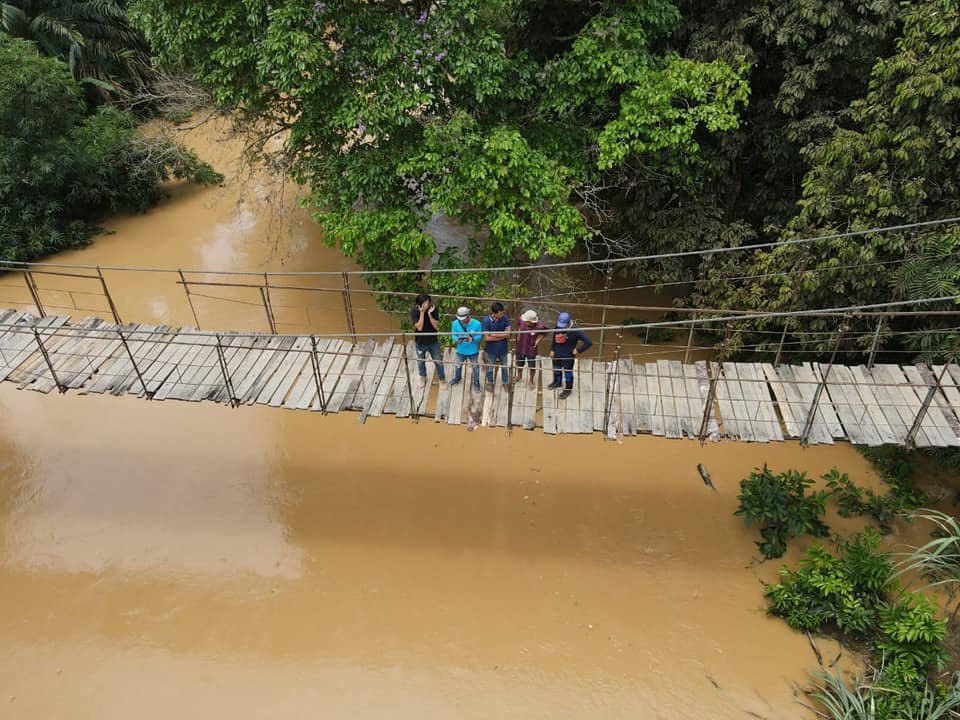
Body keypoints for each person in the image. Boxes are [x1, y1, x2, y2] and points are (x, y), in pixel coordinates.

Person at [548, 311, 592, 400]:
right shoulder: (558, 326)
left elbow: (588, 342)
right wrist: (552, 349)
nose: (561, 327)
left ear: (568, 323)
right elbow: (554, 337)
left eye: (563, 325)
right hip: (557, 353)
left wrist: (578, 350)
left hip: (568, 355)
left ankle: (568, 389)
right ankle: (557, 382)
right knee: (556, 369)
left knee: (568, 373)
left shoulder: (576, 331)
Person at [410, 293, 445, 386]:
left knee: (438, 361)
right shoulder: (414, 311)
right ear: (419, 304)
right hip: (420, 342)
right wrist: (422, 312)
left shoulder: (433, 309)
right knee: (421, 361)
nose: (427, 305)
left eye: (428, 302)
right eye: (425, 303)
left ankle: (442, 379)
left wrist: (429, 315)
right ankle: (423, 377)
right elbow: (419, 327)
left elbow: (436, 326)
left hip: (433, 341)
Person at [450, 306, 482, 392]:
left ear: (468, 315)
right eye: (460, 319)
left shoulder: (477, 323)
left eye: (463, 318)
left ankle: (476, 382)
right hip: (460, 349)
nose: (462, 320)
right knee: (457, 365)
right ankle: (457, 378)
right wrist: (456, 339)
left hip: (473, 350)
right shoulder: (455, 323)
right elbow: (453, 334)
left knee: (475, 366)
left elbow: (480, 336)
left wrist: (474, 339)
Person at [481, 301, 511, 387]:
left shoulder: (505, 318)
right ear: (494, 313)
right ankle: (490, 382)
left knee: (504, 367)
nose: (502, 315)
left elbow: (508, 333)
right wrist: (502, 336)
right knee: (490, 367)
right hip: (491, 350)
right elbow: (487, 338)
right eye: (500, 313)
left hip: (503, 349)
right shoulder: (486, 321)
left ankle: (505, 382)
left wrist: (493, 334)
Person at [515, 309, 547, 388]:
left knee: (531, 365)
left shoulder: (540, 326)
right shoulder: (521, 320)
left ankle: (531, 380)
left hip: (531, 349)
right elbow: (518, 325)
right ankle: (519, 376)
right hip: (521, 346)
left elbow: (544, 333)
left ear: (531, 322)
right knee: (519, 363)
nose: (525, 322)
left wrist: (537, 340)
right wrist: (519, 334)